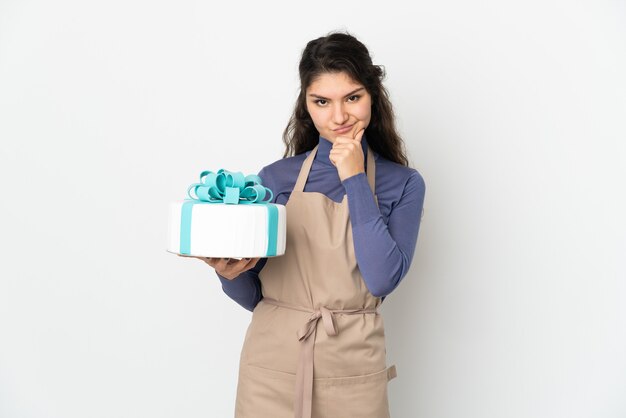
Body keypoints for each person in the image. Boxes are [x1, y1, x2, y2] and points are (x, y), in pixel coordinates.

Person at [188, 31, 425, 418]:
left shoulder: (404, 184)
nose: (339, 116)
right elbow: (256, 298)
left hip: (352, 371)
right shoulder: (275, 179)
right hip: (270, 369)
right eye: (322, 101)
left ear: (373, 97)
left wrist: (354, 180)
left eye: (352, 97)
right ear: (307, 105)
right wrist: (227, 272)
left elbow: (382, 279)